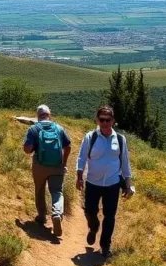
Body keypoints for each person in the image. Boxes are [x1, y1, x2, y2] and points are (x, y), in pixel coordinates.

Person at [76, 105, 135, 258]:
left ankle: (105, 245)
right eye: (101, 119)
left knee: (110, 216)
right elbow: (82, 158)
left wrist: (128, 184)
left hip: (112, 184)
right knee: (90, 211)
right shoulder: (90, 137)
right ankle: (93, 227)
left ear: (113, 121)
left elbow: (125, 163)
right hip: (93, 183)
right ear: (97, 120)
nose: (104, 123)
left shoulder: (120, 140)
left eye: (108, 120)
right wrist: (79, 176)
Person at [21, 105, 72, 236]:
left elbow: (27, 150)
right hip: (57, 165)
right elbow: (68, 146)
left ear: (38, 115)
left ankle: (42, 216)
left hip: (40, 165)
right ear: (50, 114)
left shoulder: (34, 129)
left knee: (39, 189)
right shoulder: (59, 128)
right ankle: (56, 214)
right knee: (57, 191)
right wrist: (64, 163)